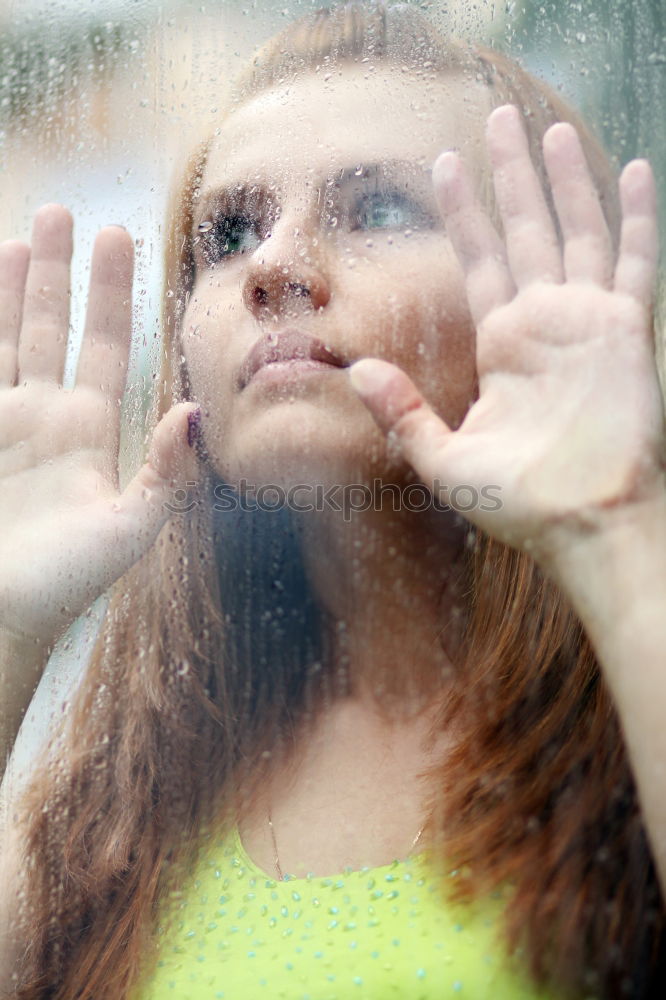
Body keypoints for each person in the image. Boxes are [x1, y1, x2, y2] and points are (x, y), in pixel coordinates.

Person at [1, 3, 665, 998]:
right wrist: (8, 623)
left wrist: (613, 530)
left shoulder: (634, 703)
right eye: (228, 231)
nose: (270, 265)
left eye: (380, 209)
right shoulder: (119, 796)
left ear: (537, 283)